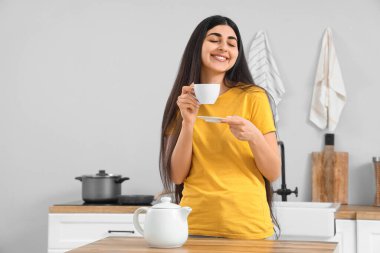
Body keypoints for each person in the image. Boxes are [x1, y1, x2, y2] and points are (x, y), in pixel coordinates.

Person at [159, 15, 281, 240]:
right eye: (215, 40)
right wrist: (188, 123)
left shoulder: (253, 97)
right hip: (195, 225)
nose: (224, 47)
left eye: (232, 43)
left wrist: (254, 136)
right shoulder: (184, 101)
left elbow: (273, 172)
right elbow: (177, 176)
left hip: (249, 227)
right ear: (198, 46)